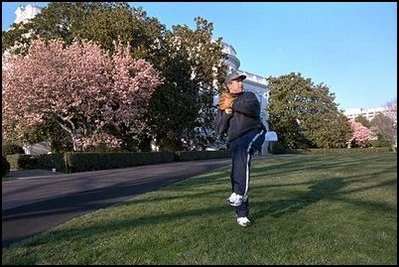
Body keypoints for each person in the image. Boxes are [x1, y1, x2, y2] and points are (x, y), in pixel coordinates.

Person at [214, 70, 266, 227]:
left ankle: (239, 194)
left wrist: (233, 104)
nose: (241, 83)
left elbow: (252, 109)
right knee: (237, 172)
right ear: (230, 85)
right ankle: (242, 214)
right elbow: (219, 129)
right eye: (237, 81)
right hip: (236, 140)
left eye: (241, 81)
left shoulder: (248, 96)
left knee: (244, 151)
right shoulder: (224, 104)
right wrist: (227, 114)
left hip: (254, 133)